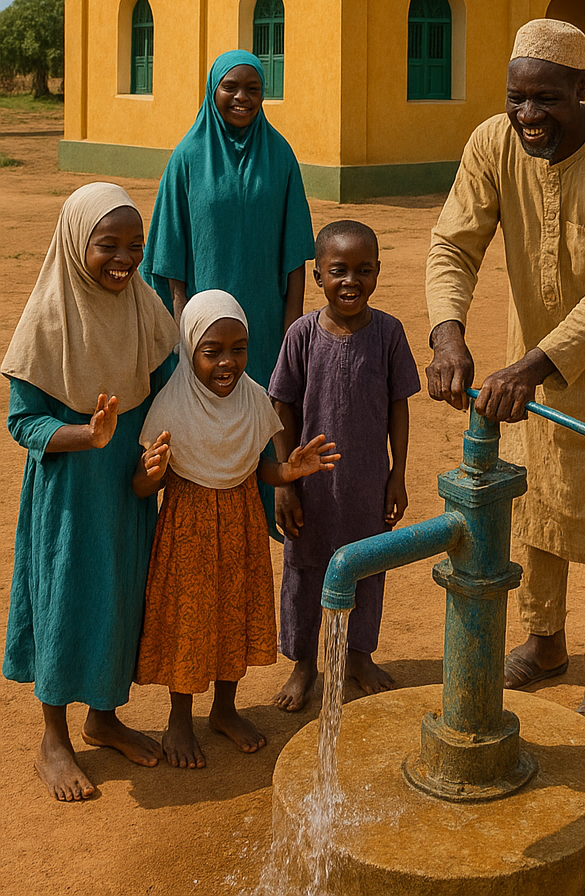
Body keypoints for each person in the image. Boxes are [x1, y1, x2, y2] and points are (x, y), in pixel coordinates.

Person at [425, 18, 585, 739]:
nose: (528, 116)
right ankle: (543, 641)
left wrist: (532, 368)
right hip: (525, 365)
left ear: (583, 90)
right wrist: (447, 336)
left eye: (546, 100)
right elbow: (452, 243)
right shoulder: (490, 143)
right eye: (517, 99)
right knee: (534, 506)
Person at [2, 182, 180, 802]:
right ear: (78, 243)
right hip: (71, 495)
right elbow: (22, 422)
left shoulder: (142, 304)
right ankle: (53, 738)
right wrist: (85, 434)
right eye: (108, 244)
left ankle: (103, 718)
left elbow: (170, 381)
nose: (125, 259)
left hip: (129, 490)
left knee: (121, 596)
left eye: (135, 246)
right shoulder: (49, 316)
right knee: (65, 598)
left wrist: (159, 452)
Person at [133, 290, 338, 768]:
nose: (227, 362)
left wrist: (287, 471)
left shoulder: (253, 398)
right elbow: (142, 486)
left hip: (242, 524)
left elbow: (257, 466)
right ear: (189, 350)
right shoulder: (171, 406)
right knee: (190, 620)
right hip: (189, 531)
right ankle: (178, 720)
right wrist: (154, 471)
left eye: (239, 348)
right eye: (212, 351)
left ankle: (224, 710)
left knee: (234, 612)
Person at [140, 49, 315, 531]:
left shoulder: (279, 156)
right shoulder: (188, 157)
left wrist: (290, 332)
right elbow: (171, 260)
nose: (242, 98)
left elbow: (294, 255)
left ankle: (254, 534)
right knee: (206, 436)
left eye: (253, 89)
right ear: (212, 90)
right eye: (230, 88)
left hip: (260, 329)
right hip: (204, 335)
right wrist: (184, 337)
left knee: (262, 427)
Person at [269, 220, 420, 707]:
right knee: (304, 568)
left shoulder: (389, 334)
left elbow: (400, 404)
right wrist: (285, 481)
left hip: (366, 483)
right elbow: (282, 404)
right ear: (318, 276)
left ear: (378, 273)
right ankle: (305, 663)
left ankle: (358, 654)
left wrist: (396, 475)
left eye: (364, 270)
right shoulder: (302, 335)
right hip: (311, 487)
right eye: (338, 270)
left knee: (367, 567)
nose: (351, 281)